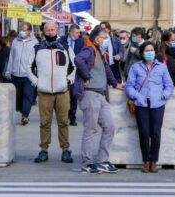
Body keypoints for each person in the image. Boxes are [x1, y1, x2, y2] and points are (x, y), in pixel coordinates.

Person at [73, 26, 125, 174]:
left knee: (109, 126)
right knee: (90, 129)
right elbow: (78, 60)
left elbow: (107, 70)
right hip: (90, 94)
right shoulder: (89, 50)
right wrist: (87, 76)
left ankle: (102, 160)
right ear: (97, 39)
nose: (106, 40)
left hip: (101, 95)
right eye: (104, 37)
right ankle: (87, 162)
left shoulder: (100, 52)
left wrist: (115, 83)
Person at [30, 21, 76, 165]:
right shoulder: (37, 48)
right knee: (45, 123)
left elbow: (74, 66)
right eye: (47, 30)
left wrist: (68, 81)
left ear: (57, 30)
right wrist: (36, 82)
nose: (50, 32)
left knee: (63, 122)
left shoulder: (65, 48)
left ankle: (65, 150)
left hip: (62, 92)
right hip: (44, 92)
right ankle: (44, 150)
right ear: (44, 31)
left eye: (52, 29)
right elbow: (29, 67)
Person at [126, 41, 174, 173]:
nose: (150, 53)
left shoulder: (162, 67)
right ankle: (146, 161)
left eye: (151, 50)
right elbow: (129, 86)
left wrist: (163, 96)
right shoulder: (136, 67)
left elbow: (169, 85)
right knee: (144, 133)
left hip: (157, 104)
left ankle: (154, 161)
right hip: (141, 104)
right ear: (142, 53)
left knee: (156, 133)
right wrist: (137, 96)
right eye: (147, 51)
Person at [4, 22, 39, 125]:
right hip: (16, 73)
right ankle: (21, 110)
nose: (22, 32)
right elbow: (11, 57)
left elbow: (37, 59)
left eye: (24, 30)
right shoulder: (15, 41)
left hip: (28, 74)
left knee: (27, 94)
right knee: (18, 95)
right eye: (21, 29)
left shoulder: (35, 43)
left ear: (29, 31)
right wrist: (8, 70)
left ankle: (25, 115)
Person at [61, 24, 85, 126]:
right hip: (63, 72)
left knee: (74, 95)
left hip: (76, 72)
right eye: (76, 32)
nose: (78, 34)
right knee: (64, 95)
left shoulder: (81, 42)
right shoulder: (61, 40)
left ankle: (72, 118)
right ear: (70, 33)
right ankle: (64, 115)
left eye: (79, 32)